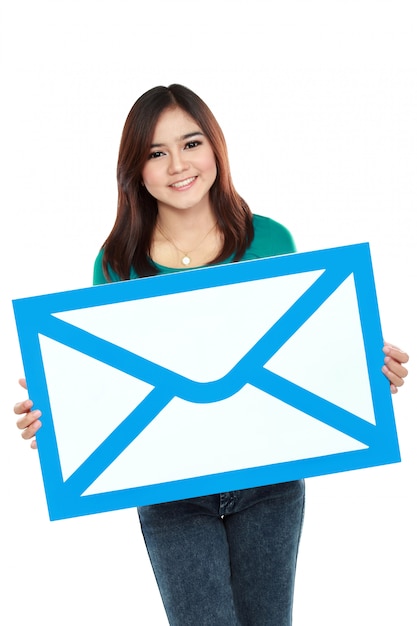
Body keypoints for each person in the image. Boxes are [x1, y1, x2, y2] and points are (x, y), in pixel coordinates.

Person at [14, 84, 409, 625]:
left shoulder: (268, 240)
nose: (178, 165)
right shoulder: (115, 265)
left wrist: (362, 373)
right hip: (172, 494)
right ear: (137, 170)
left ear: (215, 149)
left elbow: (301, 358)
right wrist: (56, 423)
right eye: (156, 153)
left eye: (191, 143)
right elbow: (105, 388)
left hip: (270, 484)